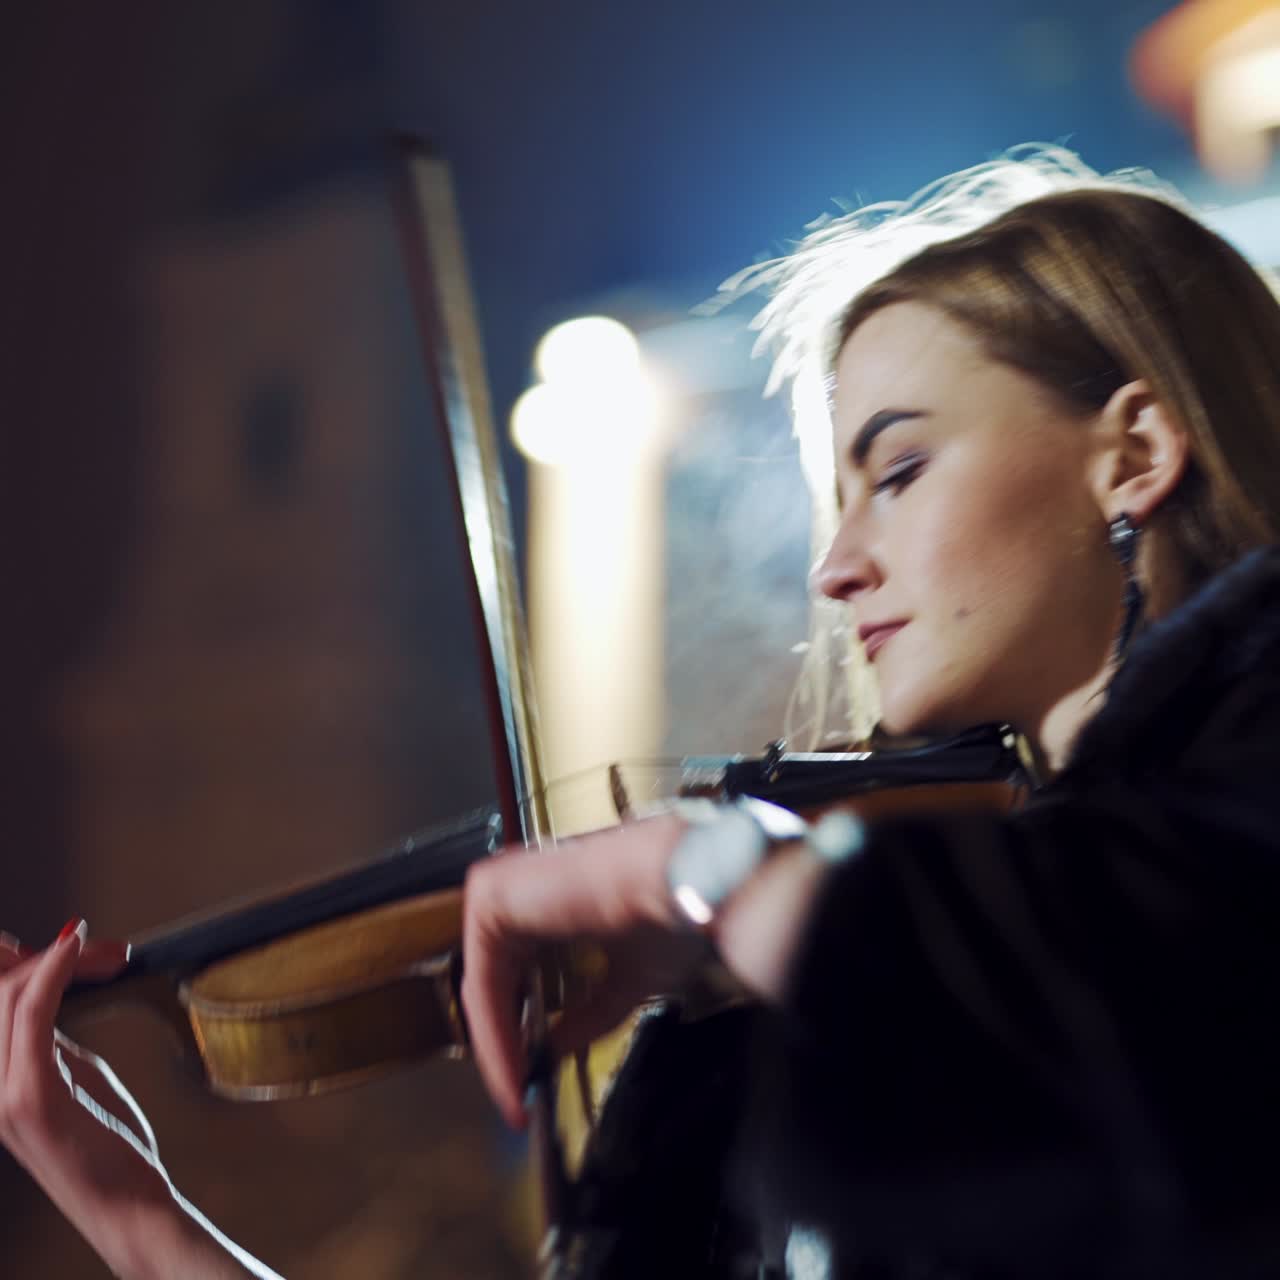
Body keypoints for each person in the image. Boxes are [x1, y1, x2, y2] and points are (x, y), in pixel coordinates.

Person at [5, 145, 1280, 1278]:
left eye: (896, 469)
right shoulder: (813, 961)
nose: (832, 569)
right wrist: (137, 1219)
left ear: (1132, 454)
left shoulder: (1187, 839)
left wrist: (711, 867)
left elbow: (1167, 1001)